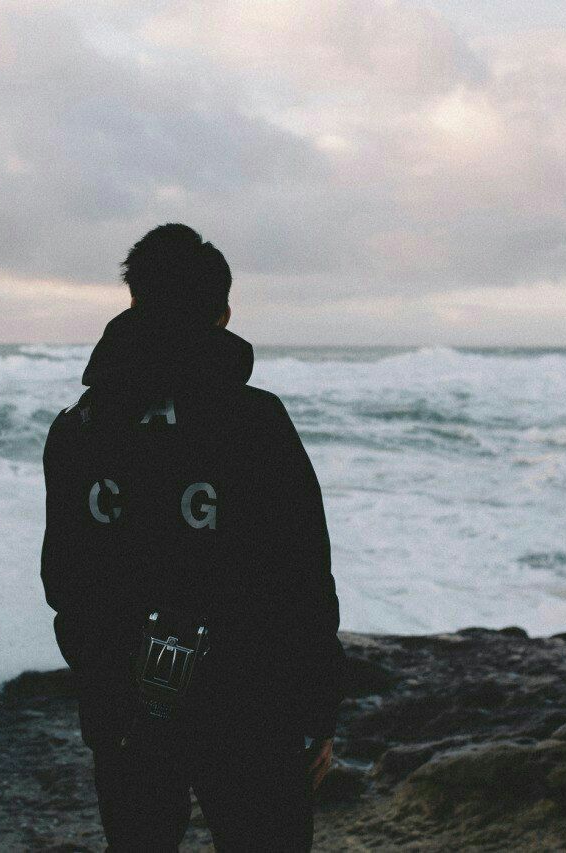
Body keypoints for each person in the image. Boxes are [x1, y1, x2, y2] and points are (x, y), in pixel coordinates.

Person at [40, 224, 346, 851]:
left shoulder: (78, 429)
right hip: (251, 706)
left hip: (124, 705)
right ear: (223, 314)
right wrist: (317, 713)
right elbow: (304, 579)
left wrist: (103, 684)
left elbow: (64, 579)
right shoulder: (256, 422)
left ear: (134, 302)